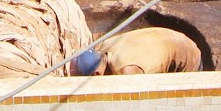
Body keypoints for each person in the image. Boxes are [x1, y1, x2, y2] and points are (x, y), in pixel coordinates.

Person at [70, 29, 202, 76]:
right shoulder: (104, 45)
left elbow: (138, 100)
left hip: (187, 55)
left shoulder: (126, 70)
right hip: (173, 37)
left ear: (96, 74)